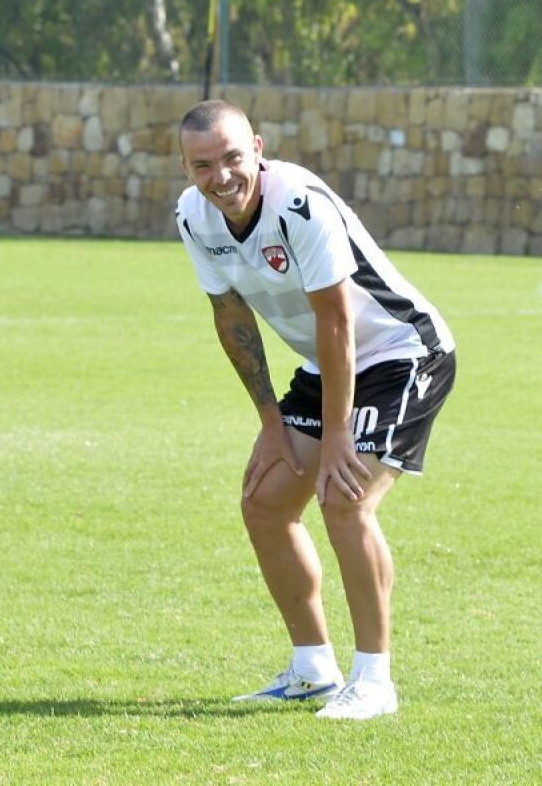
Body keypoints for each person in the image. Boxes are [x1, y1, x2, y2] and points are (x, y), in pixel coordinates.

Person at [174, 99, 456, 720]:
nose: (221, 176)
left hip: (403, 352)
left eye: (232, 158)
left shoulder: (299, 205)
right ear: (185, 168)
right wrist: (271, 425)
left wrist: (334, 442)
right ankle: (313, 670)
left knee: (345, 498)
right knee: (265, 502)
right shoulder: (195, 219)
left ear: (258, 148)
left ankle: (375, 682)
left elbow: (336, 320)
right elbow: (230, 318)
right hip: (326, 365)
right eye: (202, 165)